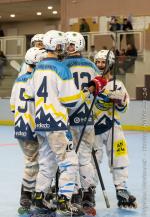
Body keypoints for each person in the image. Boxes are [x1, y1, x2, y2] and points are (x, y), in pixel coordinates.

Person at [24, 30, 87, 216]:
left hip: (41, 123)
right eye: (62, 45)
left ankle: (39, 198)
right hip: (57, 124)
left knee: (47, 163)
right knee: (69, 163)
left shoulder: (37, 69)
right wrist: (86, 92)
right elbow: (71, 100)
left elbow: (28, 93)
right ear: (57, 46)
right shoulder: (61, 69)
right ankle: (64, 202)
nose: (64, 49)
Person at [91, 49, 137, 208]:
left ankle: (121, 188)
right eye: (98, 62)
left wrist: (120, 102)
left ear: (110, 63)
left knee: (119, 155)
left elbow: (124, 109)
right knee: (92, 161)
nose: (100, 65)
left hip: (114, 127)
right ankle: (89, 190)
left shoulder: (118, 85)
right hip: (95, 128)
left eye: (103, 62)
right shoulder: (92, 82)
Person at [63, 31, 102, 212]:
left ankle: (78, 192)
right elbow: (100, 87)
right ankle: (88, 193)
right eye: (67, 44)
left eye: (71, 45)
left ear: (78, 45)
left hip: (70, 116)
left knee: (73, 157)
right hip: (87, 117)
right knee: (84, 157)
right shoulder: (92, 66)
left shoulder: (63, 65)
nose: (68, 48)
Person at [10, 47, 47, 214]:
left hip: (20, 125)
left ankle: (32, 194)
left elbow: (12, 105)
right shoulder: (37, 80)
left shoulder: (18, 80)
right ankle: (26, 196)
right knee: (34, 163)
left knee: (33, 161)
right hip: (33, 127)